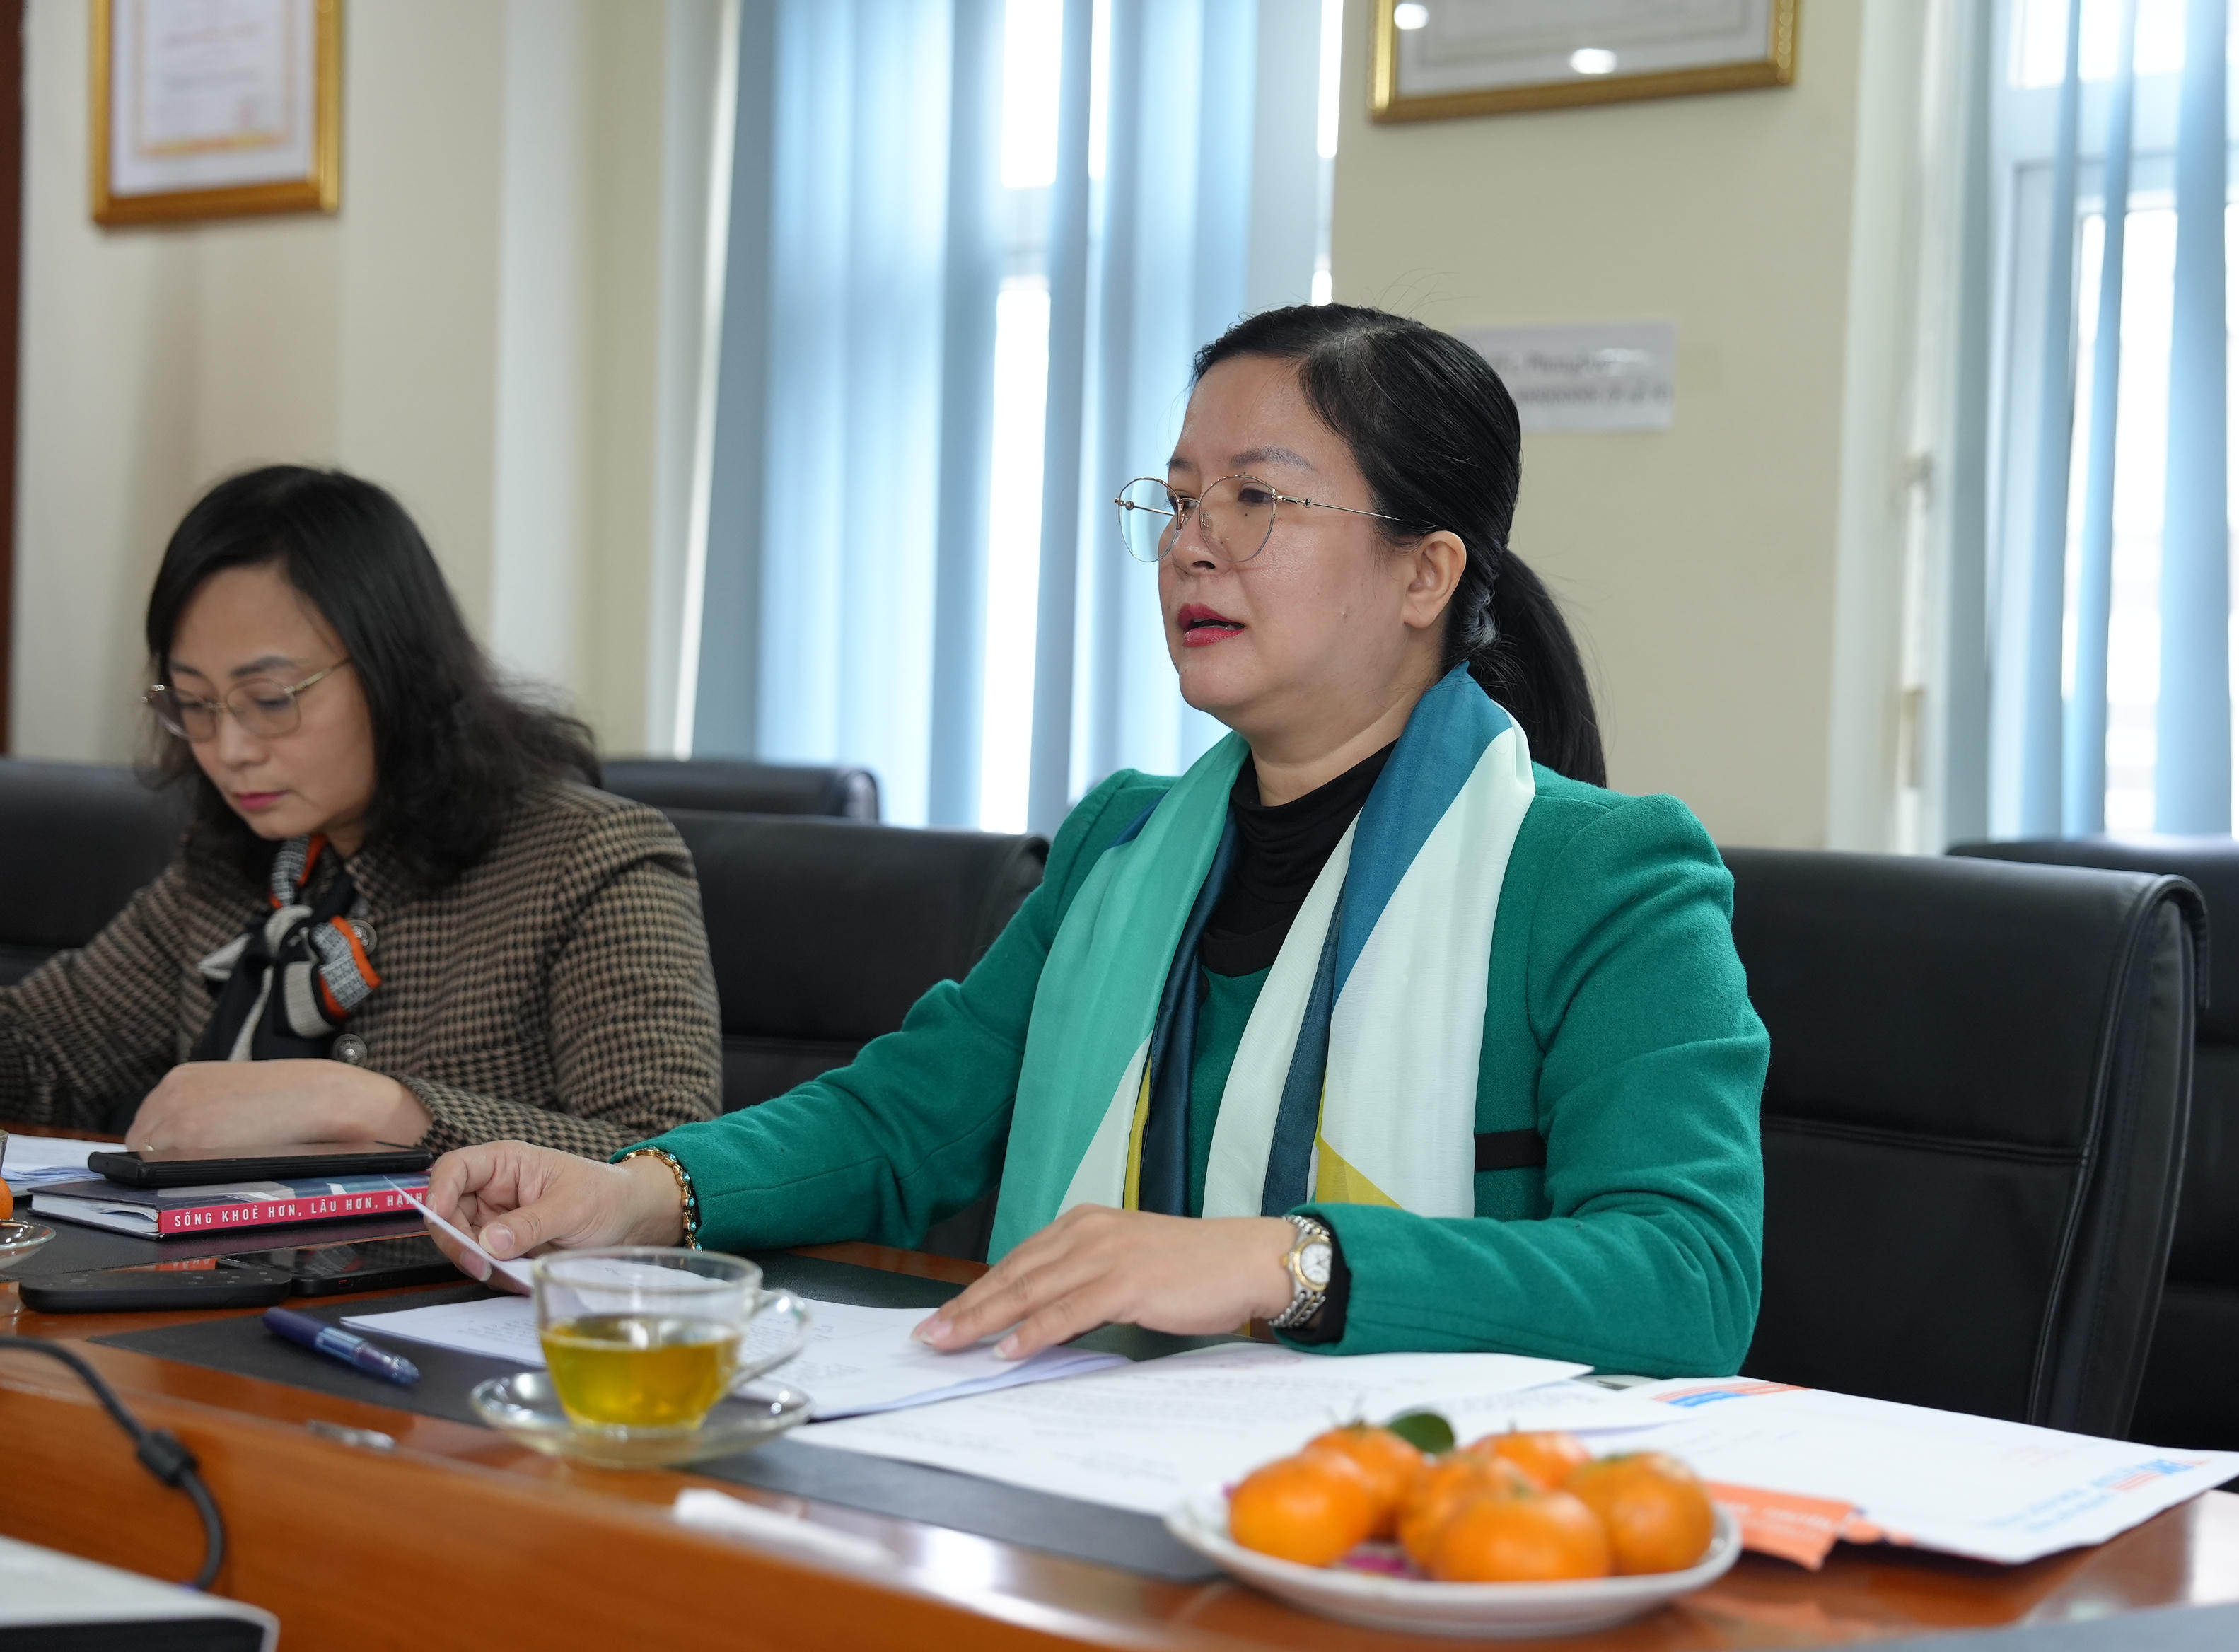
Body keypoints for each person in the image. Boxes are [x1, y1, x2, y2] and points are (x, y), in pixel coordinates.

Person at [428, 305, 1767, 1374]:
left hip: (1427, 1533)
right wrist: (642, 1192)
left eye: (1257, 500)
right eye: (1179, 500)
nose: (1193, 546)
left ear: (1426, 572)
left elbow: (1687, 1278)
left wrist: (1279, 1261)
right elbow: (904, 1120)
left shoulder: (1600, 873)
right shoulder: (1121, 844)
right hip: (1090, 1478)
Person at [0, 466, 722, 1158]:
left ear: (392, 670)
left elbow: (667, 1161)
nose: (229, 749)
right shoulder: (234, 867)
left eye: (271, 699)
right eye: (194, 703)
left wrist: (371, 1109)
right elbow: (40, 1056)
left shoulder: (588, 860)